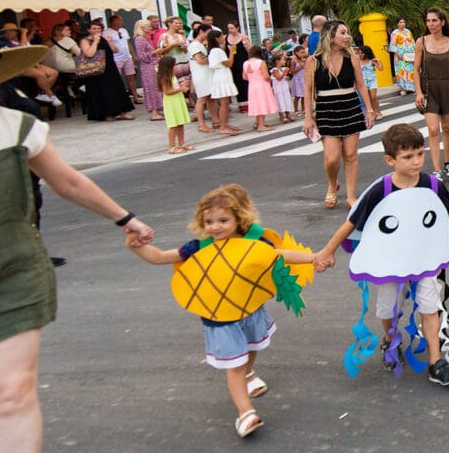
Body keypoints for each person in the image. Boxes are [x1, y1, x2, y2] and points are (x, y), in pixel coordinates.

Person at [0, 21, 153, 453]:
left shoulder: (17, 126)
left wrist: (125, 218)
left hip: (11, 274)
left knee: (12, 394)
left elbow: (70, 183)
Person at [125, 184, 320, 437]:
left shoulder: (254, 242)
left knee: (251, 348)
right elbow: (161, 256)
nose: (215, 227)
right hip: (219, 317)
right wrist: (136, 246)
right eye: (209, 221)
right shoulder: (199, 248)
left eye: (223, 220)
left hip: (250, 309)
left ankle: (249, 375)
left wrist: (315, 257)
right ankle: (245, 413)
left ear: (239, 219)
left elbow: (280, 255)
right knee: (234, 365)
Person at [314, 124, 449, 386]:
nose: (416, 162)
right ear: (390, 160)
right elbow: (351, 221)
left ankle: (436, 361)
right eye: (408, 157)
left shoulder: (432, 185)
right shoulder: (381, 190)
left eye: (419, 154)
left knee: (430, 306)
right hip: (390, 263)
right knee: (388, 308)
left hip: (424, 260)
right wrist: (327, 250)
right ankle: (390, 340)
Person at [304, 20, 374, 207]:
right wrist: (308, 117)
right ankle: (332, 183)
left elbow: (361, 85)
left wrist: (369, 110)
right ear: (330, 36)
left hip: (349, 106)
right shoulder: (313, 61)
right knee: (332, 157)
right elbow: (308, 90)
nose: (347, 37)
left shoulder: (352, 58)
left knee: (351, 154)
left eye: (347, 33)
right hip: (326, 109)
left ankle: (351, 195)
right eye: (342, 33)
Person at [412, 8, 449, 180]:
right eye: (428, 21)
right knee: (433, 129)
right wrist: (418, 92)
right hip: (428, 88)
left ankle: (448, 163)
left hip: (447, 86)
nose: (431, 24)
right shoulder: (421, 42)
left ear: (442, 22)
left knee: (447, 128)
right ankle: (436, 168)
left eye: (434, 20)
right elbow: (416, 69)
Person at [78, 18, 135, 122]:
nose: (96, 30)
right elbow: (89, 53)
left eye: (99, 28)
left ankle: (122, 112)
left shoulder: (104, 38)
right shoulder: (85, 40)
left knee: (116, 89)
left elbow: (115, 50)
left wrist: (110, 42)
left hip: (109, 67)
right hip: (96, 70)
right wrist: (95, 42)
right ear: (89, 30)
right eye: (94, 28)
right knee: (103, 91)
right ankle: (107, 113)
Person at [0, 22, 62, 107]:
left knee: (54, 73)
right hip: (15, 67)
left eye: (11, 31)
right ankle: (51, 96)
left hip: (28, 64)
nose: (8, 33)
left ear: (16, 32)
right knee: (40, 75)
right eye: (6, 31)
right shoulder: (3, 43)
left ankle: (41, 93)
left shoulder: (20, 40)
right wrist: (24, 33)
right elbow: (22, 50)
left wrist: (35, 63)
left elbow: (28, 52)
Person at [206, 30, 241, 136]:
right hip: (222, 76)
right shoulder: (217, 51)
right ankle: (223, 126)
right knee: (224, 103)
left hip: (221, 75)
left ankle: (225, 124)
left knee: (225, 102)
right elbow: (229, 63)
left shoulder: (214, 50)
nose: (223, 38)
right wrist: (232, 52)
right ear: (217, 38)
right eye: (221, 36)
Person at [157, 56, 192, 154]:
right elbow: (167, 91)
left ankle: (182, 143)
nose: (176, 66)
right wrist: (181, 89)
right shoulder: (165, 77)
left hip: (177, 100)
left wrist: (182, 86)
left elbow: (173, 88)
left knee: (180, 123)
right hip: (171, 102)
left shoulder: (172, 76)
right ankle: (172, 147)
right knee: (173, 125)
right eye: (174, 65)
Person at [133, 20, 163, 120]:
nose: (151, 28)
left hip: (153, 65)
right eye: (148, 26)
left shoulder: (145, 38)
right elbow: (142, 57)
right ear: (142, 28)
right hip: (148, 67)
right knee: (151, 88)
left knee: (156, 87)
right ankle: (154, 112)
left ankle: (157, 110)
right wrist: (156, 51)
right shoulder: (140, 39)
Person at [242, 46, 277, 132]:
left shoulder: (245, 63)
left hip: (252, 85)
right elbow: (265, 76)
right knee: (262, 104)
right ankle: (261, 125)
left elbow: (244, 77)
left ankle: (258, 122)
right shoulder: (261, 62)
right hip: (262, 85)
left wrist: (253, 78)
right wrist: (270, 80)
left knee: (256, 104)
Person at [103, 15, 137, 103]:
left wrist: (133, 55)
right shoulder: (106, 32)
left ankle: (135, 97)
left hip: (127, 57)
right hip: (116, 58)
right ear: (114, 21)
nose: (122, 21)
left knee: (131, 77)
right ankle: (120, 98)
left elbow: (128, 43)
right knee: (117, 78)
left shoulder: (123, 30)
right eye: (119, 20)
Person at [188, 23, 214, 133]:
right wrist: (212, 59)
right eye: (207, 33)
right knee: (202, 99)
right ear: (201, 32)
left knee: (210, 98)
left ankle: (215, 120)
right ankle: (201, 124)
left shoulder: (201, 44)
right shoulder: (194, 45)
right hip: (200, 74)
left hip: (206, 74)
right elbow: (200, 60)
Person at [224, 22, 250, 107]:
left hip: (243, 62)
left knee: (245, 82)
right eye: (229, 28)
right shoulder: (225, 38)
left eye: (232, 28)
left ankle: (249, 102)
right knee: (236, 82)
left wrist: (246, 45)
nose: (230, 30)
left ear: (237, 28)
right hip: (233, 64)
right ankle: (241, 103)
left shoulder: (244, 37)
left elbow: (249, 51)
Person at [390, 19, 415, 96]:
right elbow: (392, 45)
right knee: (401, 71)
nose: (402, 24)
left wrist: (415, 51)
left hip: (410, 55)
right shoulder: (394, 33)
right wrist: (398, 55)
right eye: (400, 22)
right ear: (397, 24)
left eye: (404, 22)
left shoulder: (408, 31)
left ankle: (411, 88)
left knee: (410, 71)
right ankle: (403, 89)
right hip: (400, 56)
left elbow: (413, 42)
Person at [358, 45, 383, 120]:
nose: (360, 54)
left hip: (372, 81)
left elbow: (380, 69)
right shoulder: (359, 62)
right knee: (367, 99)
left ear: (366, 53)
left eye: (362, 53)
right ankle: (372, 112)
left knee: (373, 97)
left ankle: (378, 112)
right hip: (363, 82)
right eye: (359, 53)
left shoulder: (372, 61)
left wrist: (379, 61)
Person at [270, 52, 294, 123]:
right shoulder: (274, 70)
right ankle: (281, 116)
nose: (285, 62)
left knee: (287, 100)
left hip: (284, 88)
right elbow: (278, 78)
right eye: (283, 60)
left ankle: (288, 114)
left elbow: (287, 77)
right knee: (280, 101)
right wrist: (284, 73)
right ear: (277, 61)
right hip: (279, 89)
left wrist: (287, 76)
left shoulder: (283, 68)